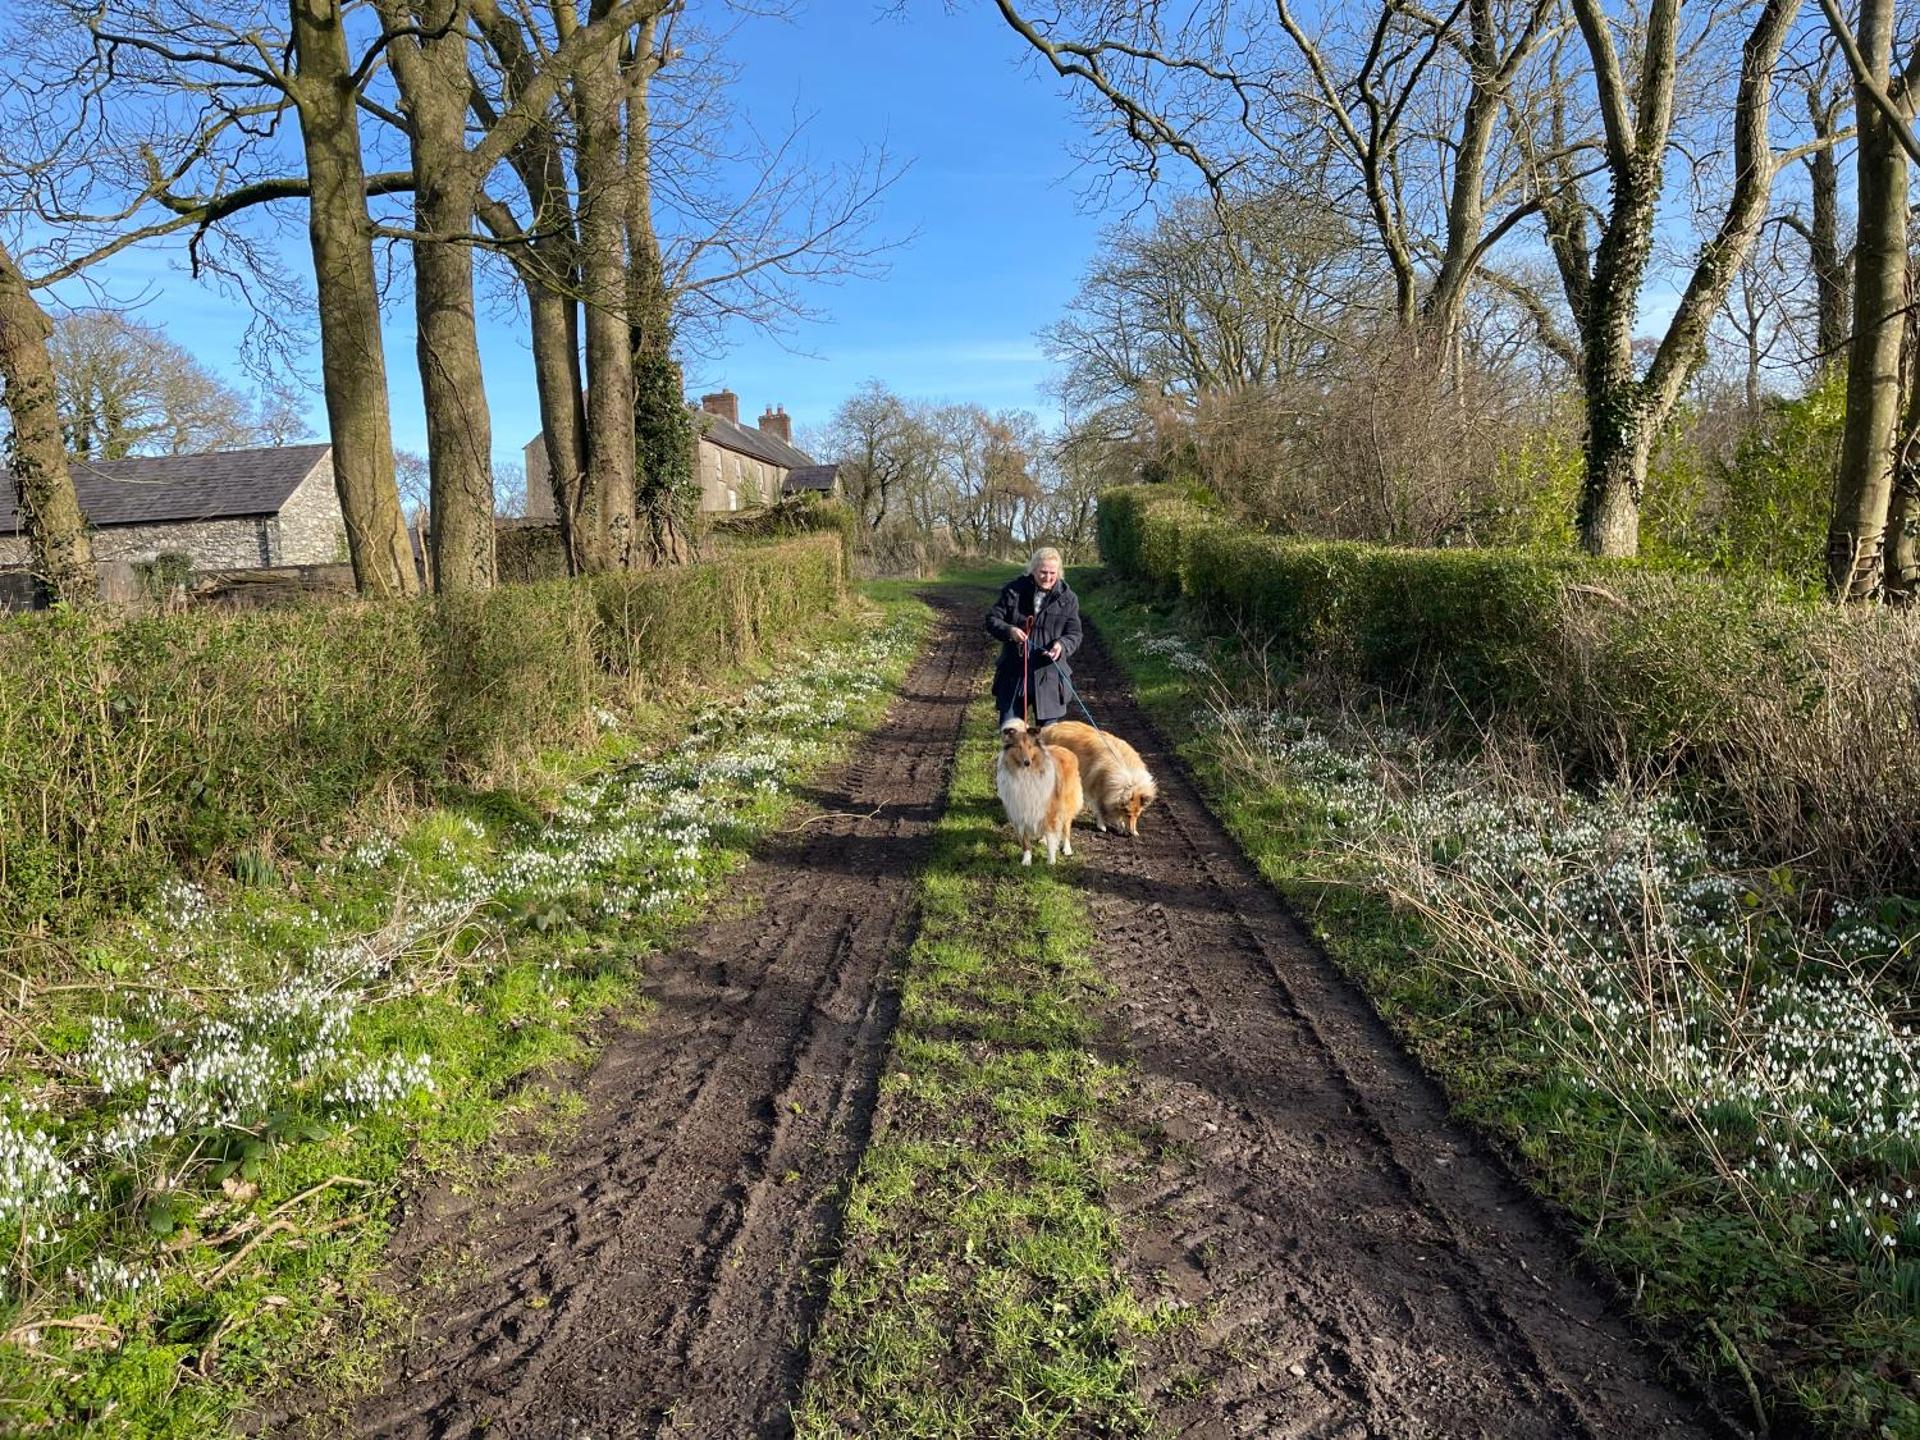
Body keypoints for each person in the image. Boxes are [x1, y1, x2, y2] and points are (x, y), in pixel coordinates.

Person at [985, 547, 1083, 728]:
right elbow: (992, 619)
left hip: (1050, 676)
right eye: (1043, 572)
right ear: (1033, 570)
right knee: (1011, 737)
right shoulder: (1013, 591)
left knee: (1048, 742)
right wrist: (1010, 631)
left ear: (1059, 572)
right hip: (1013, 673)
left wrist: (1062, 645)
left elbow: (1075, 633)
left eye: (1052, 573)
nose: (1047, 577)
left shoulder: (1068, 599)